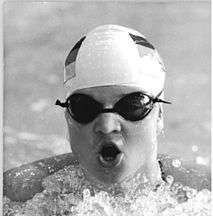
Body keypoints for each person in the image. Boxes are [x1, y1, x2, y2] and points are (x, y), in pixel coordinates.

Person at [56, 24, 171, 190]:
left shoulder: (208, 195)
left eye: (132, 106)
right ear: (68, 117)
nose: (106, 126)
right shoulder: (12, 197)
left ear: (159, 114)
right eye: (84, 108)